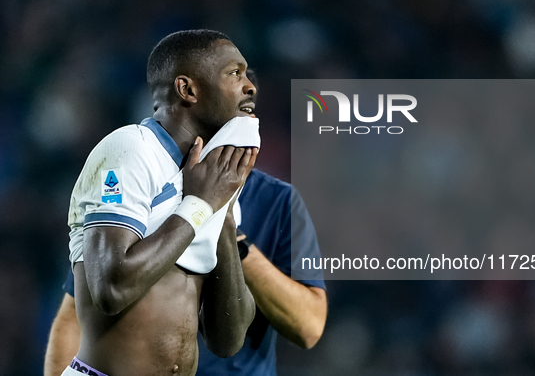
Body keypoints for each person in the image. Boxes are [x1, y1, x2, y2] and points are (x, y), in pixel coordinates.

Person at [45, 68, 328, 376]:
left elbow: (308, 326)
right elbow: (76, 311)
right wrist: (200, 206)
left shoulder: (277, 201)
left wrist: (228, 228)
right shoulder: (143, 174)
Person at [59, 29, 259, 376]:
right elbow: (111, 288)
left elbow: (227, 340)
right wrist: (198, 205)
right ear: (187, 89)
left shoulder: (211, 181)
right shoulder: (131, 149)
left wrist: (220, 211)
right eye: (234, 73)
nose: (250, 86)